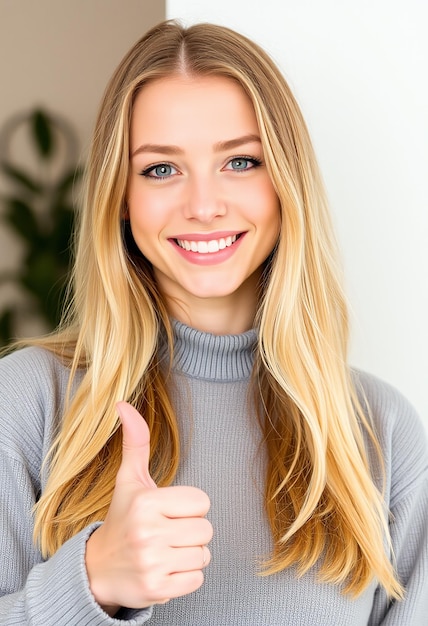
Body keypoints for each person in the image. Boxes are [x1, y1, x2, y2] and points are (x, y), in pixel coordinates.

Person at [0, 19, 427, 626]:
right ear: (120, 197)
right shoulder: (28, 401)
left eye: (241, 161)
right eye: (160, 169)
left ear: (286, 182)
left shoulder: (380, 433)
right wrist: (92, 582)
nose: (203, 206)